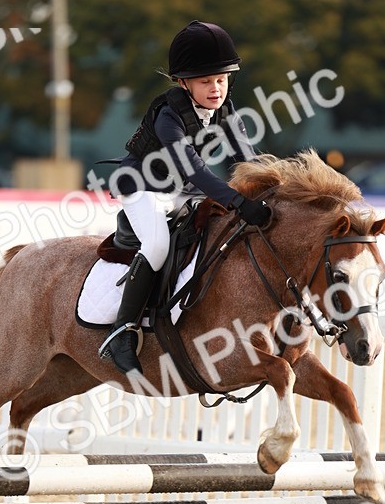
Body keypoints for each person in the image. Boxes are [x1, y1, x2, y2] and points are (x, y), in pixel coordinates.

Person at [97, 20, 271, 375]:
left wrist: (270, 194)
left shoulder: (226, 108)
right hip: (142, 186)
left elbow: (246, 159)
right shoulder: (167, 116)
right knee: (158, 244)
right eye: (206, 82)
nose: (215, 89)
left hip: (182, 191)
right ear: (183, 83)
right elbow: (194, 169)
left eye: (221, 80)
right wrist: (239, 201)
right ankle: (121, 332)